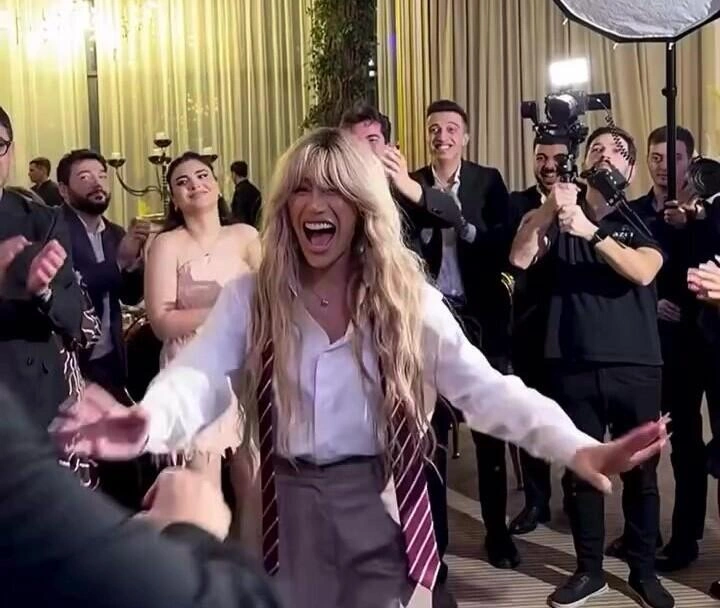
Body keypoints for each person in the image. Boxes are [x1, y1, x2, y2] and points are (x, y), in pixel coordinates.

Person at [53, 128, 668, 608]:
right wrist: (149, 421)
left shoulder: (405, 296)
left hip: (384, 498)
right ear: (284, 205)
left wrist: (573, 445)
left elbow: (483, 388)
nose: (316, 204)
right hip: (289, 504)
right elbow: (201, 373)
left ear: (361, 205)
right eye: (302, 189)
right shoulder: (254, 295)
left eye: (334, 191)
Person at [510, 126, 673, 608]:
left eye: (615, 151)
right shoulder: (559, 214)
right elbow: (519, 257)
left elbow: (644, 269)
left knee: (642, 474)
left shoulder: (644, 214)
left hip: (637, 362)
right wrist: (552, 207)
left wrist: (592, 231)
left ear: (629, 168)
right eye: (595, 148)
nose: (603, 155)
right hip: (572, 361)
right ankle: (589, 571)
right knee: (582, 472)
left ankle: (643, 571)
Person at [409, 99, 518, 574]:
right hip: (429, 318)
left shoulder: (487, 181)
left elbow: (504, 243)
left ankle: (497, 532)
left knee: (488, 428)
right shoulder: (410, 184)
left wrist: (465, 228)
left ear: (465, 137)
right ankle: (436, 540)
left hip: (480, 319)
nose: (443, 136)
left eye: (452, 128)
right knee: (428, 430)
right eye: (435, 128)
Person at [145, 151, 261, 548]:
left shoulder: (245, 236)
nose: (195, 184)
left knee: (256, 484)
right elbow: (161, 321)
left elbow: (269, 298)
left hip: (245, 369)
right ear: (174, 199)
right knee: (203, 493)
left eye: (202, 175)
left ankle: (252, 572)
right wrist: (224, 309)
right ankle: (207, 576)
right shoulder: (166, 244)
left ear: (217, 183)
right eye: (183, 181)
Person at [0, 105, 96, 430]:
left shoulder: (42, 220)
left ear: (11, 151)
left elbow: (73, 317)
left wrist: (43, 291)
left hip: (32, 398)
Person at [507, 134, 569, 535]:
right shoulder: (516, 202)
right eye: (541, 157)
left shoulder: (587, 201)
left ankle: (575, 492)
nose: (548, 165)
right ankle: (536, 501)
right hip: (529, 326)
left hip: (575, 328)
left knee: (575, 417)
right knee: (530, 418)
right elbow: (513, 258)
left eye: (557, 158)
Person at [339, 101, 464, 259]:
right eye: (354, 143)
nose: (363, 149)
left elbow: (451, 214)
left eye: (372, 140)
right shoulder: (336, 193)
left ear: (389, 148)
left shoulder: (405, 190)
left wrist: (405, 183)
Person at [230, 160, 262, 227]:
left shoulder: (239, 192)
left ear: (234, 174)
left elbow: (239, 216)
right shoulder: (255, 190)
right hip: (255, 229)